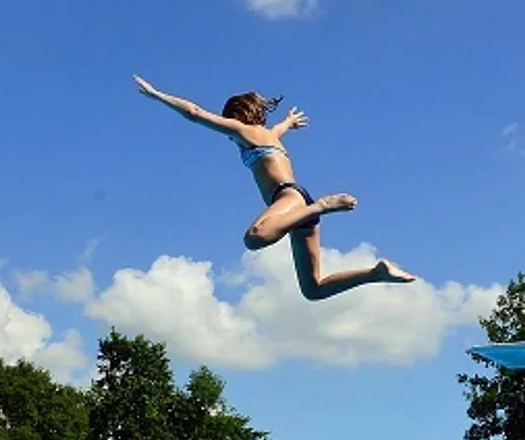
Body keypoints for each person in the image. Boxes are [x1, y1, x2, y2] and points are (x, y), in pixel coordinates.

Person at [133, 75, 417, 300]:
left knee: (255, 238)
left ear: (237, 117)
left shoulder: (243, 131)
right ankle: (375, 273)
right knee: (313, 290)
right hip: (296, 208)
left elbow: (195, 113)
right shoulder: (268, 134)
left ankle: (324, 205)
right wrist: (289, 122)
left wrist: (158, 95)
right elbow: (278, 130)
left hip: (289, 197)